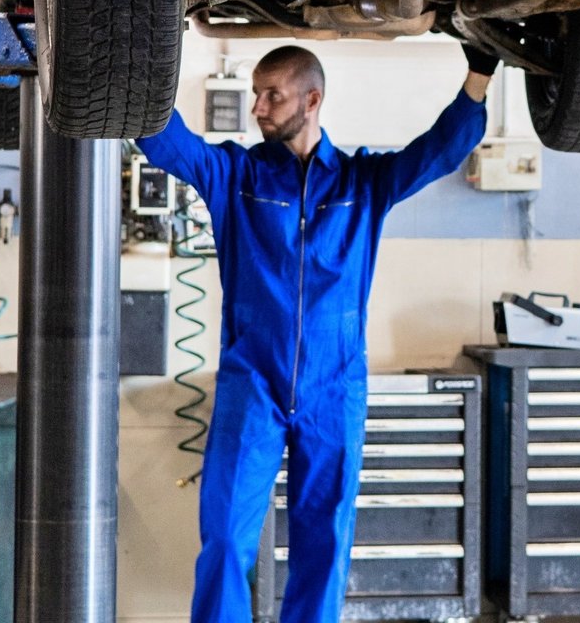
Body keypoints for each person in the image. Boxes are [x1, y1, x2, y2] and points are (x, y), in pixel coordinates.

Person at [138, 40, 497, 623]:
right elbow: (167, 144)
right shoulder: (237, 175)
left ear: (312, 99)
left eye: (271, 95)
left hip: (333, 390)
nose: (258, 107)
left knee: (323, 543)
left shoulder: (363, 183)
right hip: (251, 384)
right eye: (257, 94)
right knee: (226, 537)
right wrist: (138, 53)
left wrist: (478, 74)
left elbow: (439, 151)